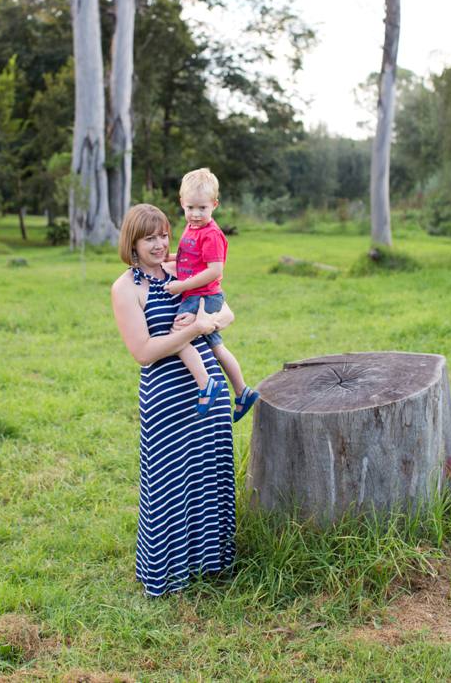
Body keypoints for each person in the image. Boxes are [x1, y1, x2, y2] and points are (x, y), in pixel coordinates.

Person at [111, 203, 237, 597]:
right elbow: (144, 352)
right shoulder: (125, 288)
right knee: (168, 484)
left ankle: (212, 565)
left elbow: (227, 311)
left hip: (208, 390)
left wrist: (209, 322)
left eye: (163, 234)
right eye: (149, 237)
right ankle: (167, 576)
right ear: (132, 242)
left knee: (209, 474)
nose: (159, 243)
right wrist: (194, 329)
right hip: (166, 396)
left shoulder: (179, 269)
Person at [164, 168, 259, 423]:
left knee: (178, 334)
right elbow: (190, 258)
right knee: (217, 348)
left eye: (202, 208)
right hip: (199, 294)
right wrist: (167, 257)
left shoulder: (211, 234)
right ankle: (242, 391)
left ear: (214, 205)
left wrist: (182, 287)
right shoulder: (192, 228)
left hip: (202, 296)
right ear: (182, 203)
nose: (196, 214)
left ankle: (206, 384)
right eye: (191, 207)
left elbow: (215, 270)